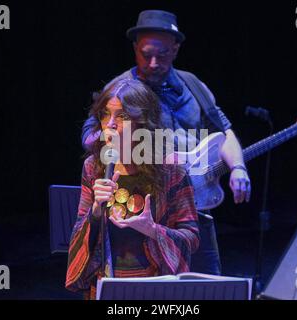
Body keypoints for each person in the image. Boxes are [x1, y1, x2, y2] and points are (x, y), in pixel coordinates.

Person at [81, 10, 251, 275]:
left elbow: (224, 132)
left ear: (175, 49)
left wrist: (238, 166)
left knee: (205, 285)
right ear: (135, 47)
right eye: (145, 54)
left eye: (162, 55)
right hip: (142, 211)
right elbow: (91, 137)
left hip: (194, 207)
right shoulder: (120, 89)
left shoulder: (193, 84)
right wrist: (145, 151)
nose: (152, 63)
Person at [66, 79, 200, 299]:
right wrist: (96, 212)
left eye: (122, 117)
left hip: (156, 288)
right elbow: (78, 234)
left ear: (143, 123)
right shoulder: (93, 167)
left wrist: (152, 229)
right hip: (105, 285)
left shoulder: (171, 171)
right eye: (105, 115)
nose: (110, 125)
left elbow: (191, 238)